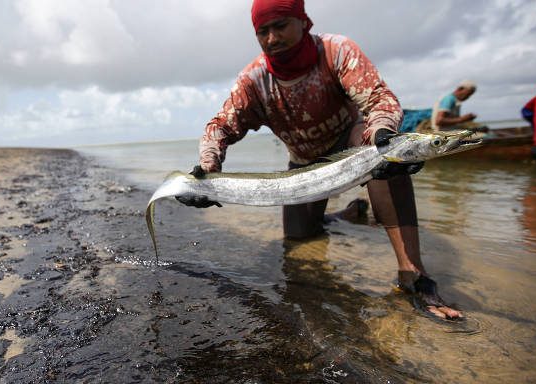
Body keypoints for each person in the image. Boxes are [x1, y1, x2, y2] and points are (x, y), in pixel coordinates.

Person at [176, 0, 462, 320]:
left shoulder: (335, 51)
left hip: (353, 142)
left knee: (387, 155)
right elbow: (220, 127)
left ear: (303, 20)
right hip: (304, 164)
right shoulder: (254, 80)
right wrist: (207, 169)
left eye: (280, 26)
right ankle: (346, 215)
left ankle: (413, 275)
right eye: (262, 31)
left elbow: (378, 99)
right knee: (299, 239)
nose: (272, 38)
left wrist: (383, 131)